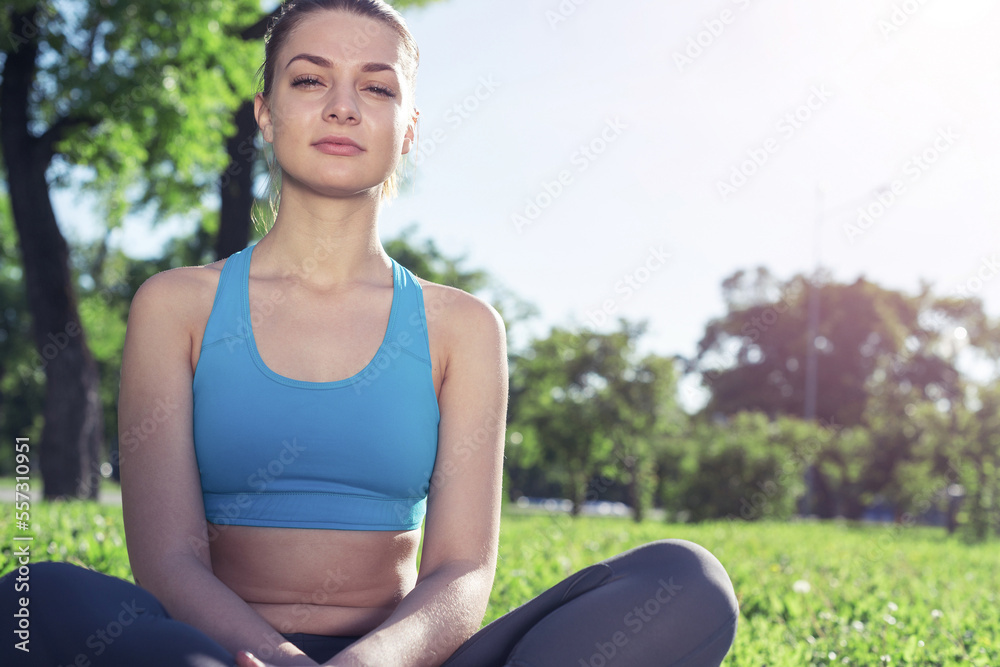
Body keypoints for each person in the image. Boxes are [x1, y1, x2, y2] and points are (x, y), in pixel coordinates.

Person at [1, 1, 739, 665]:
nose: (343, 107)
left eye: (377, 86)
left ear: (408, 129)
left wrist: (368, 664)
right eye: (310, 81)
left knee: (686, 580)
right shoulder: (174, 306)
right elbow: (167, 560)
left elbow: (461, 568)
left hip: (401, 660)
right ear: (265, 112)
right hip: (215, 655)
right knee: (33, 597)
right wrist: (279, 659)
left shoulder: (464, 328)